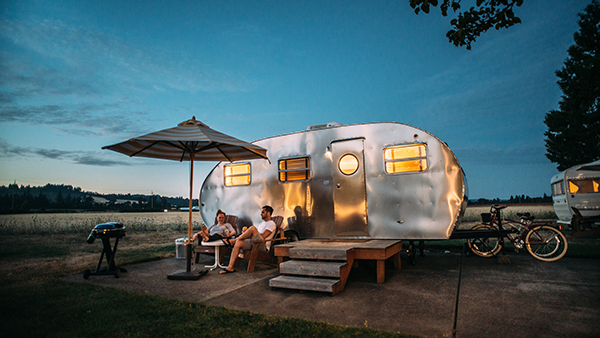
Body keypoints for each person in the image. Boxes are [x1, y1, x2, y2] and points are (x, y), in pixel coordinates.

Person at [219, 205, 276, 274]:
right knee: (238, 242)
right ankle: (230, 267)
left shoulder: (271, 223)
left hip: (262, 245)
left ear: (268, 213)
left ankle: (233, 240)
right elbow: (255, 235)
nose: (261, 214)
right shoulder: (262, 223)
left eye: (263, 212)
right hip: (254, 242)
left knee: (252, 228)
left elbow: (263, 236)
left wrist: (251, 232)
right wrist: (246, 233)